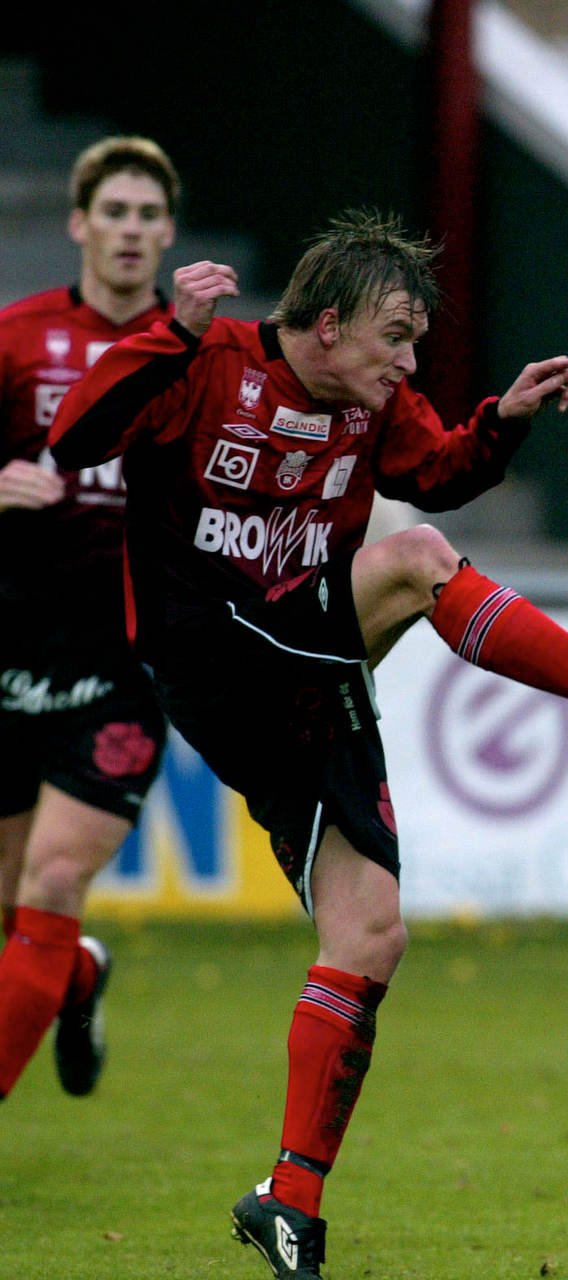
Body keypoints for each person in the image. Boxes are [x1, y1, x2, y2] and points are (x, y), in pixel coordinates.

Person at [49, 209, 568, 1278]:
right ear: (329, 321)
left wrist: (505, 420)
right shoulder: (206, 360)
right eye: (395, 336)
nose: (406, 360)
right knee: (416, 559)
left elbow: (436, 468)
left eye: (415, 344)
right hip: (211, 645)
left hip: (306, 673)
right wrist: (164, 327)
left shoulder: (372, 401)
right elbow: (73, 440)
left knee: (370, 933)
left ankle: (287, 1199)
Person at [0, 136, 181, 1103]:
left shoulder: (194, 357)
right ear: (79, 224)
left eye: (149, 215)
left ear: (168, 234)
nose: (130, 231)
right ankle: (79, 976)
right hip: (13, 645)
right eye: (114, 212)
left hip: (128, 660)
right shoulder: (17, 337)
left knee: (55, 884)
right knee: (15, 908)